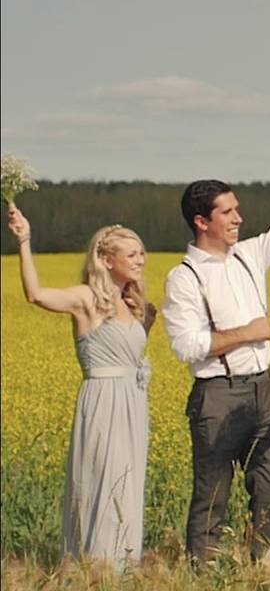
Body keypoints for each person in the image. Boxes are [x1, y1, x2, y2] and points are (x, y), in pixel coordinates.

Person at [162, 139, 270, 563]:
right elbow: (187, 345)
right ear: (201, 221)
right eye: (228, 212)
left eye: (237, 209)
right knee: (212, 495)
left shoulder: (249, 256)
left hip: (263, 389)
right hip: (217, 393)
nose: (239, 218)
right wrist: (248, 332)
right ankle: (206, 571)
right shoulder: (184, 278)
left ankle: (263, 566)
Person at [7, 207, 155, 569]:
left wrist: (147, 319)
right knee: (102, 478)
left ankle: (123, 566)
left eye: (141, 253)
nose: (141, 260)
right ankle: (95, 564)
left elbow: (131, 353)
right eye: (132, 254)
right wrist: (24, 240)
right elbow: (36, 295)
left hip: (134, 402)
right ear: (106, 259)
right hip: (103, 401)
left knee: (128, 483)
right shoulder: (87, 299)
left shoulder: (134, 303)